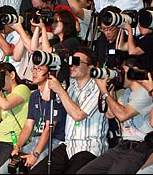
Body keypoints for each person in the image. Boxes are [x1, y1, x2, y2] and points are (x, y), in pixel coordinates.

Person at [32, 46, 108, 174]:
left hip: (89, 148)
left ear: (90, 68)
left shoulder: (98, 87)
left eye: (77, 62)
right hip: (68, 146)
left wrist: (60, 90)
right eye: (71, 62)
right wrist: (54, 67)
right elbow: (46, 96)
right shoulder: (71, 85)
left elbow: (78, 115)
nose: (72, 65)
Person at [77, 57, 153, 174]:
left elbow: (122, 115)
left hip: (140, 147)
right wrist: (109, 88)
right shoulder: (126, 93)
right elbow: (110, 114)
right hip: (123, 146)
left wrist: (104, 91)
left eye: (123, 70)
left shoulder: (146, 93)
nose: (120, 74)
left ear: (134, 70)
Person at [0, 58, 66, 174]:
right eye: (34, 69)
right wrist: (18, 146)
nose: (34, 72)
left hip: (52, 142)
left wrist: (35, 154)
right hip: (34, 140)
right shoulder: (34, 96)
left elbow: (49, 129)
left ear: (49, 73)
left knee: (33, 169)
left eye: (39, 69)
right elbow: (28, 126)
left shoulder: (56, 97)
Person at [116, 7, 153, 72]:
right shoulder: (141, 37)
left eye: (143, 22)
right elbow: (120, 47)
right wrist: (122, 25)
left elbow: (132, 52)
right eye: (139, 22)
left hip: (147, 73)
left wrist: (130, 31)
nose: (140, 26)